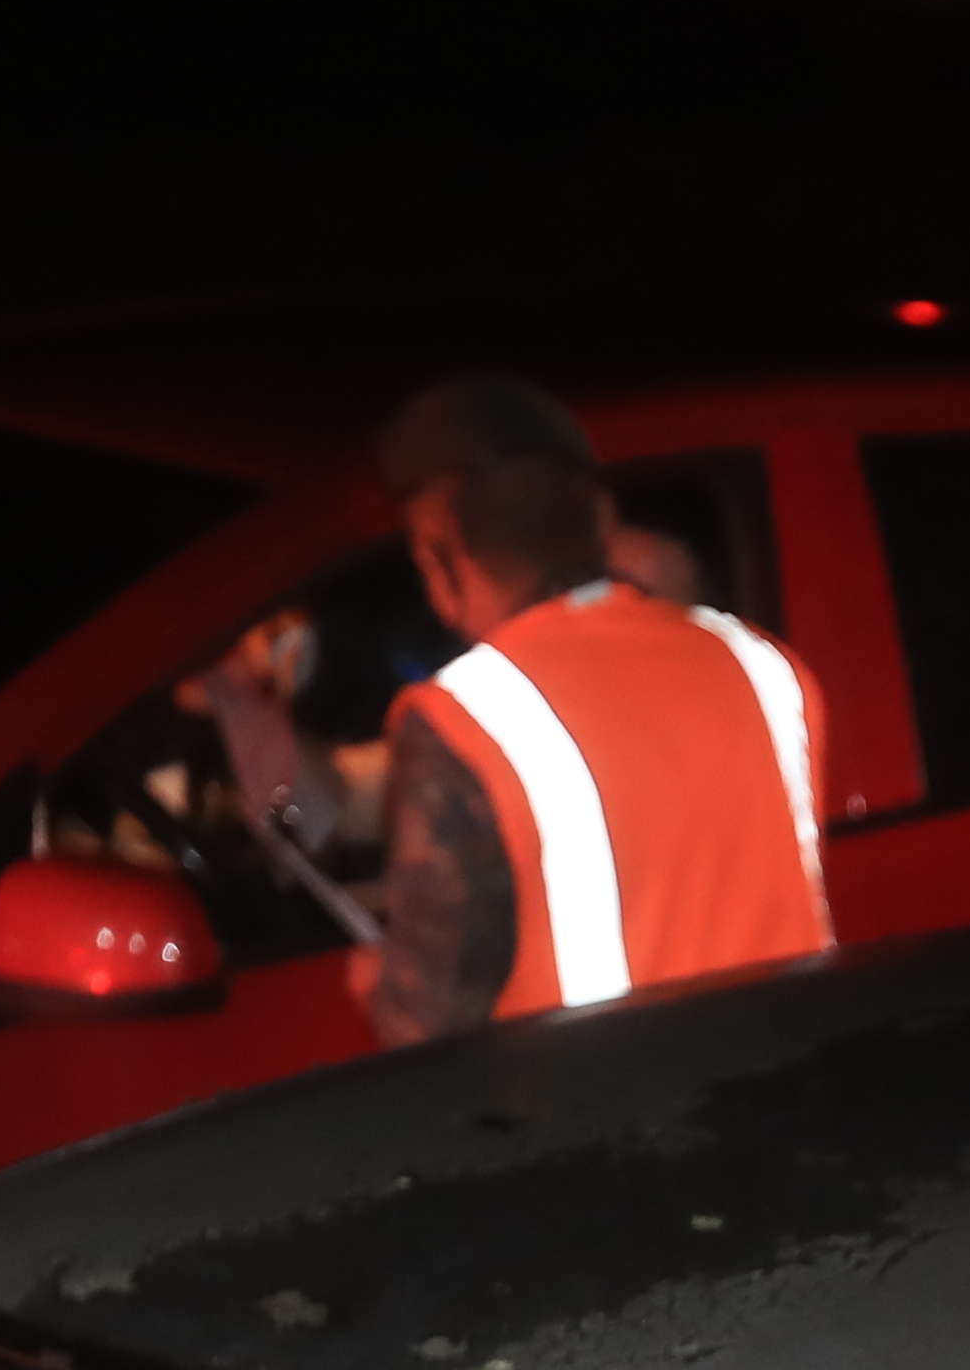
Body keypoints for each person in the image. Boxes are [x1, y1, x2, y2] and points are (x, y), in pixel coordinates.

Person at [281, 374, 835, 1046]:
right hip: (792, 1090)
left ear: (434, 552)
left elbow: (425, 1025)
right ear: (601, 525)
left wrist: (380, 983)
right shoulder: (765, 667)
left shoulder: (465, 719)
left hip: (614, 1129)